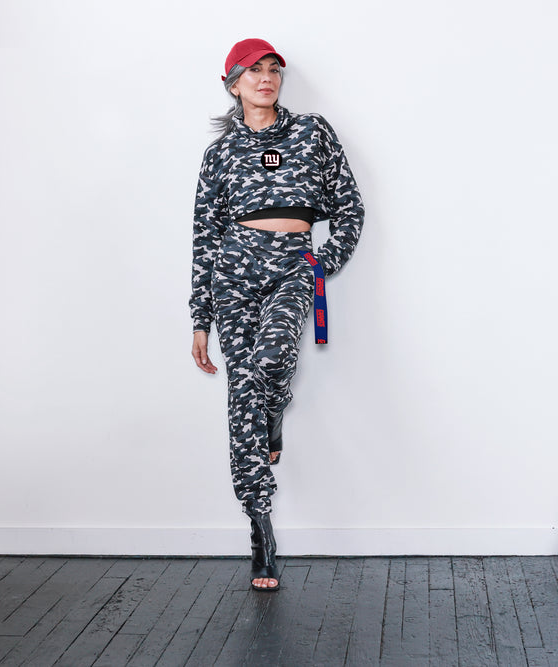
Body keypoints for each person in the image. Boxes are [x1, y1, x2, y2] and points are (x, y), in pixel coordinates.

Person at [189, 38, 364, 591]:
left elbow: (349, 206)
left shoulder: (312, 132)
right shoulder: (220, 154)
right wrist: (200, 317)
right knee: (242, 391)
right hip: (233, 271)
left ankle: (275, 407)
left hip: (292, 264)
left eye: (273, 70)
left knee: (273, 359)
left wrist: (323, 261)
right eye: (253, 71)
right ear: (233, 85)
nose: (266, 78)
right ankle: (259, 526)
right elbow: (204, 237)